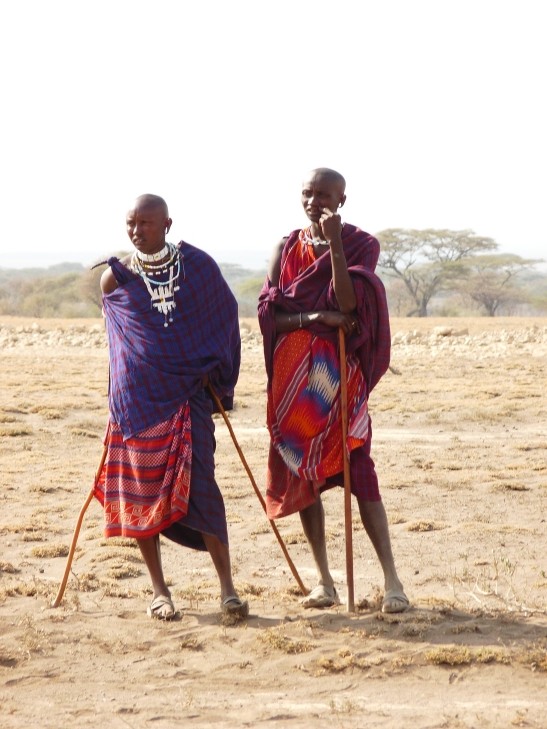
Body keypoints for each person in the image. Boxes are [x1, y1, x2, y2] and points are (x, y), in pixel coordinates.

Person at [258, 168, 409, 613]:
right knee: (303, 476)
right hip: (292, 382)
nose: (314, 201)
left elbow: (348, 304)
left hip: (339, 378)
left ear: (342, 200)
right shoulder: (286, 247)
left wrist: (336, 245)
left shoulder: (363, 244)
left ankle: (393, 582)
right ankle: (324, 581)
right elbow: (270, 316)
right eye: (308, 193)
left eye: (324, 195)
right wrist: (314, 319)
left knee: (359, 471)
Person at [94, 193, 248, 620]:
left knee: (204, 487)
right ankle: (160, 591)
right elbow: (122, 348)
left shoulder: (198, 268)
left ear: (167, 224)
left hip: (188, 399)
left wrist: (212, 369)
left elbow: (225, 316)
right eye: (131, 223)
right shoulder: (115, 279)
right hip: (137, 403)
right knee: (141, 493)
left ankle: (228, 589)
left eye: (145, 223)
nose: (136, 231)